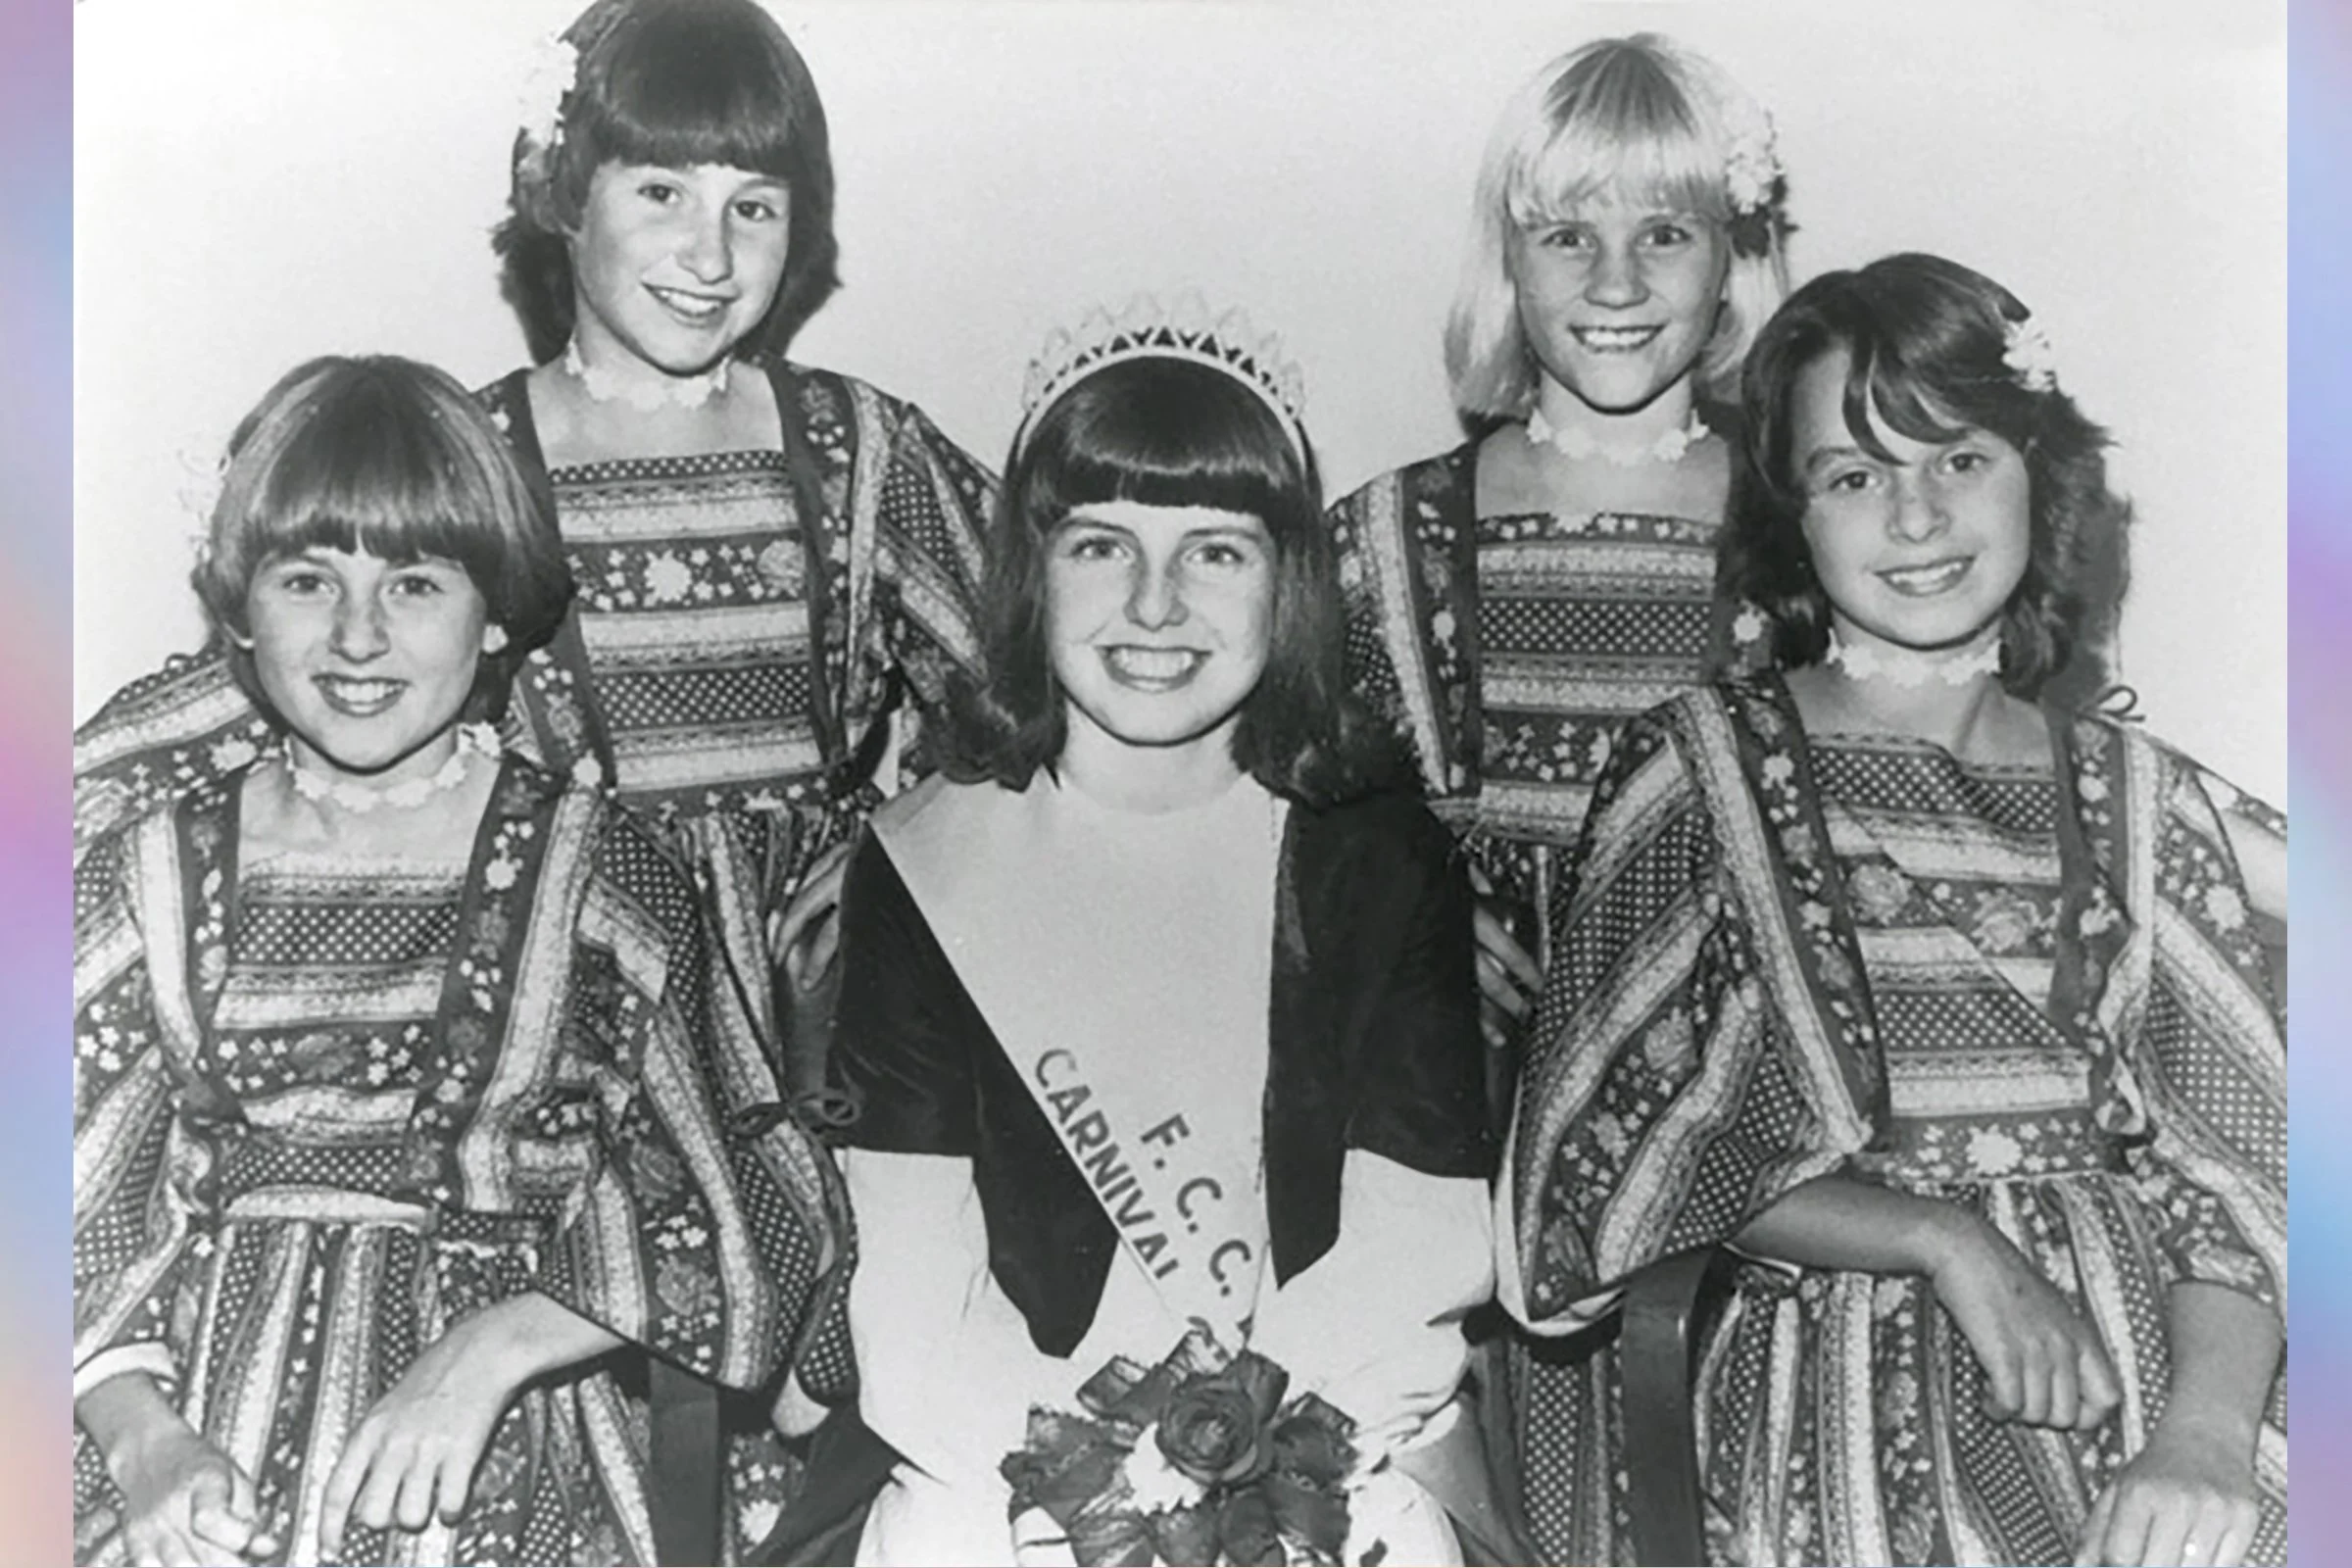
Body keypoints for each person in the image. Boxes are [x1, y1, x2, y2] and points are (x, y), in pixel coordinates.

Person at [73, 0, 994, 1140]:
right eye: (661, 193)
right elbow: (269, 676)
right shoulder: (470, 464)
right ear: (559, 191)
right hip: (562, 1018)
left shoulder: (860, 450)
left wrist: (902, 850)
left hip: (828, 1021)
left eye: (753, 207)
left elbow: (1040, 685)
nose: (710, 256)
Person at [1498, 254, 2285, 1566]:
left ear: (2039, 474)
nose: (1917, 518)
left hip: (2155, 1380)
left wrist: (2204, 1441)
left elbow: (2241, 1184)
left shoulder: (2145, 797)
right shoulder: (1697, 771)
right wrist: (1940, 1238)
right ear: (1792, 519)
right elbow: (1604, 1165)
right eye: (1854, 477)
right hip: (1840, 1391)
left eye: (1960, 458)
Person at [73, 356, 852, 1567]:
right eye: (307, 580)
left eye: (416, 583)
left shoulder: (604, 877)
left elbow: (745, 1195)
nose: (358, 636)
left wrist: (489, 1352)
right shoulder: (144, 875)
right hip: (196, 1449)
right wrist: (142, 1441)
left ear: (493, 612)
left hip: (515, 1470)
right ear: (238, 608)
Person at [828, 304, 1497, 1565]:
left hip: (1324, 1436)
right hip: (1006, 1455)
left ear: (1287, 583)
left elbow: (1417, 1244)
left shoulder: (1378, 855)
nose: (1154, 603)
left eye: (1216, 552)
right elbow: (913, 1291)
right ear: (1032, 573)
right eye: (1100, 544)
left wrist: (1242, 1464)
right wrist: (1100, 1484)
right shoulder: (923, 863)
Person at [1327, 33, 1792, 1082]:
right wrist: (1399, 910)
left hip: (1733, 1107)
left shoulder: (1804, 538)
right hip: (1441, 1102)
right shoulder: (1380, 540)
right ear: (1508, 259)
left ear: (1732, 257)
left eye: (1665, 233)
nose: (1615, 283)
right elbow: (1272, 812)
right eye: (1569, 236)